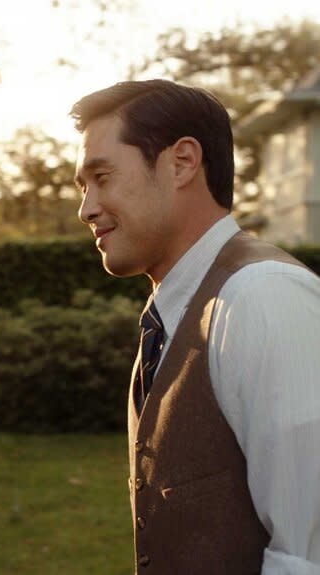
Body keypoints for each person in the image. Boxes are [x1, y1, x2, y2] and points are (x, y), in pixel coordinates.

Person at [71, 79, 320, 574]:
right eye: (84, 187)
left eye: (102, 177)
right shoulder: (177, 311)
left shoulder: (261, 296)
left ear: (182, 161)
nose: (86, 209)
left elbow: (307, 555)